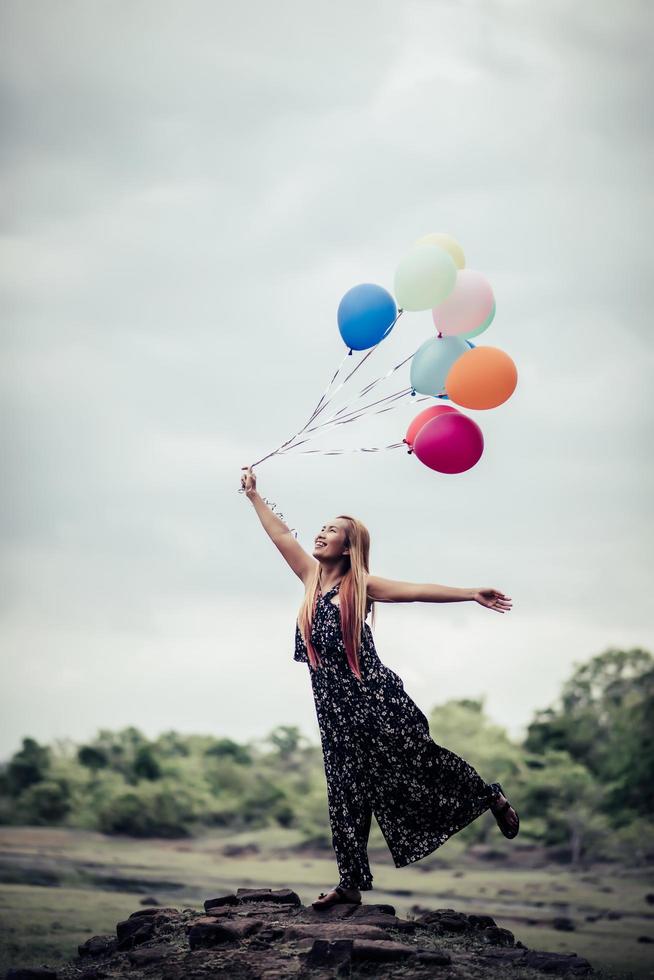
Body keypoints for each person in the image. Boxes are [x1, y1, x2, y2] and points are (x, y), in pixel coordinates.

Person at [240, 464, 519, 910]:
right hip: (335, 713)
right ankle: (349, 883)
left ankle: (489, 795)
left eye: (332, 531)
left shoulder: (361, 586)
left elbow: (417, 591)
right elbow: (281, 538)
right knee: (344, 791)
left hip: (377, 701)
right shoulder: (311, 580)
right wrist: (254, 496)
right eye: (322, 527)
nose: (321, 534)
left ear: (348, 548)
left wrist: (469, 593)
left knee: (418, 766)